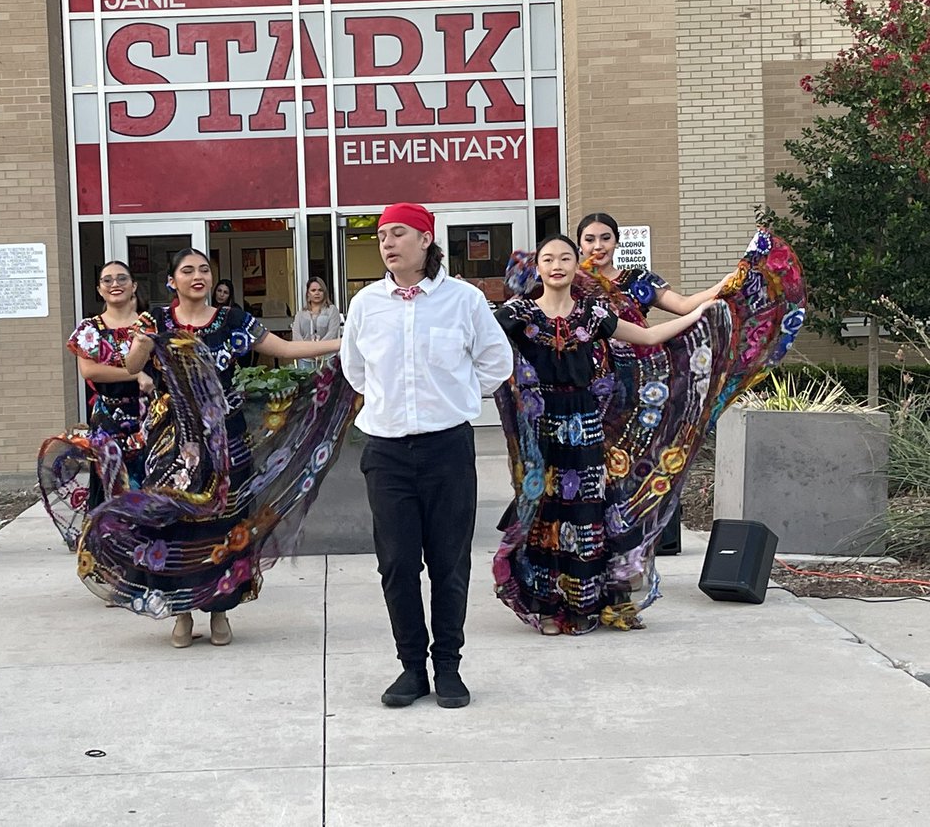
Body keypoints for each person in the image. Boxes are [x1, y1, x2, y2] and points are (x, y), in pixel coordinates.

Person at [493, 227, 804, 635]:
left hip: (589, 420)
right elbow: (477, 341)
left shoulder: (594, 312)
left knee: (587, 513)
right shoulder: (519, 313)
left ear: (576, 264)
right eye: (549, 259)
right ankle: (549, 607)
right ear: (539, 265)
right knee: (543, 512)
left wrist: (704, 314)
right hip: (541, 426)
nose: (558, 265)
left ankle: (587, 602)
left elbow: (650, 334)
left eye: (564, 258)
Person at [82, 249, 345, 649]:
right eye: (187, 271)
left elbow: (287, 350)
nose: (197, 276)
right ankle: (181, 613)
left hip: (226, 439)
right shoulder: (156, 319)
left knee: (225, 524)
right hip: (172, 441)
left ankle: (220, 610)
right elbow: (133, 366)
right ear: (173, 281)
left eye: (204, 269)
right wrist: (141, 342)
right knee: (173, 524)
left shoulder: (233, 320)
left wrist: (347, 342)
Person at [340, 202, 513, 710]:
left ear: (425, 239)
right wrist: (393, 404)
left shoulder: (463, 300)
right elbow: (355, 370)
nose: (388, 244)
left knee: (449, 564)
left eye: (398, 233)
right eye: (381, 237)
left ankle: (449, 667)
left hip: (447, 450)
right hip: (387, 451)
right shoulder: (368, 304)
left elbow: (495, 361)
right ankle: (411, 667)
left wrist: (456, 398)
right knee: (396, 564)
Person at [38, 261, 153, 550]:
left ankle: (152, 564)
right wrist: (135, 372)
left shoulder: (150, 324)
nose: (115, 284)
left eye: (122, 278)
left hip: (151, 416)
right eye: (107, 280)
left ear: (134, 285)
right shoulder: (90, 329)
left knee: (153, 485)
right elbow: (90, 371)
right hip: (109, 418)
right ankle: (114, 563)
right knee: (111, 488)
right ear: (100, 289)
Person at [576, 212, 734, 318]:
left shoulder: (637, 278)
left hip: (635, 362)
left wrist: (722, 285)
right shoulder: (571, 283)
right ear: (580, 245)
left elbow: (683, 305)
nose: (598, 246)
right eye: (590, 240)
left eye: (605, 238)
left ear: (616, 242)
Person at [292, 276, 341, 370]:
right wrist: (308, 351)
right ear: (308, 294)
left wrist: (318, 350)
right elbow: (296, 335)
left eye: (320, 290)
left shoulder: (332, 310)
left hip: (327, 358)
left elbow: (332, 333)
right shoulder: (300, 313)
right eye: (313, 290)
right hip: (305, 359)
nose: (317, 293)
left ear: (324, 293)